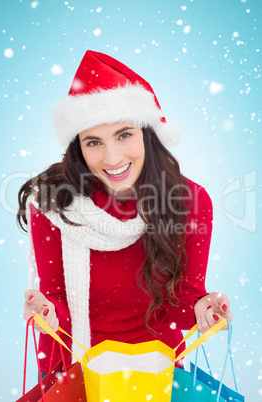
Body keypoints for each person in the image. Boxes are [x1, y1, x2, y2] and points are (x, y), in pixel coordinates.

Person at [17, 50, 233, 377]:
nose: (112, 157)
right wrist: (45, 310)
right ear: (78, 146)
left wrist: (203, 307)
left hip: (157, 370)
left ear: (147, 133)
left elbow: (183, 298)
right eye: (94, 142)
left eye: (124, 134)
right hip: (76, 368)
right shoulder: (53, 205)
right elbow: (58, 298)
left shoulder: (189, 201)